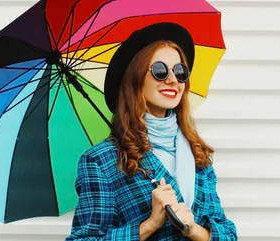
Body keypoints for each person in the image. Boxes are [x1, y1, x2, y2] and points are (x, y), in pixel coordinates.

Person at [65, 22, 237, 240]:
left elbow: (228, 234)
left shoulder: (197, 152)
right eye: (159, 70)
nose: (173, 79)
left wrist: (193, 229)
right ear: (135, 78)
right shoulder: (101, 161)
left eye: (180, 71)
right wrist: (149, 224)